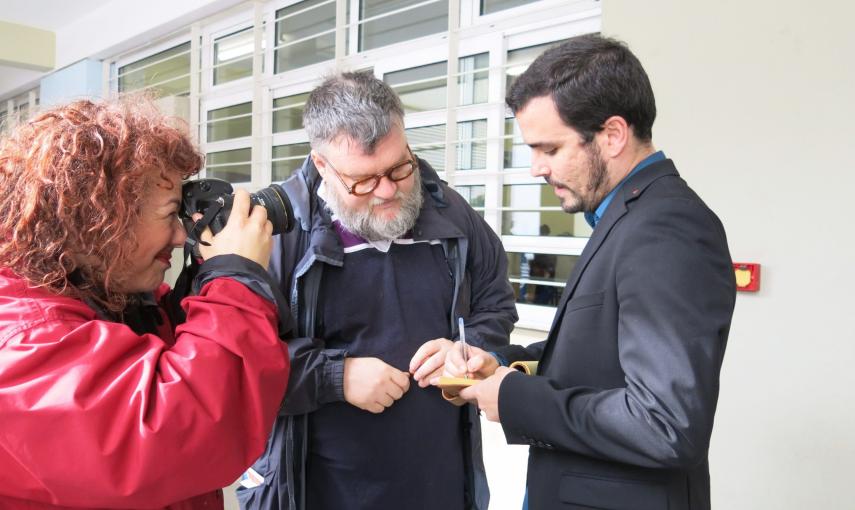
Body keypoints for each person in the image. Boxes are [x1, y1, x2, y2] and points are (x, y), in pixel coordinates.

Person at [443, 34, 736, 510]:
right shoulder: (629, 216)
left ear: (613, 134)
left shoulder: (667, 228)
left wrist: (517, 400)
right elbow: (601, 354)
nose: (536, 168)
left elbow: (665, 425)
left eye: (550, 149)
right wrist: (503, 365)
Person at [236, 71, 517, 510]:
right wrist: (336, 377)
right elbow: (237, 365)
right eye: (364, 180)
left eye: (399, 168)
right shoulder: (272, 235)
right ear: (323, 165)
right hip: (323, 489)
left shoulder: (452, 215)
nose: (388, 192)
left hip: (440, 483)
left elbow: (495, 304)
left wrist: (471, 347)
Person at [0, 97, 291, 509]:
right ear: (99, 220)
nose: (179, 236)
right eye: (171, 214)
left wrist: (203, 286)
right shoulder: (23, 340)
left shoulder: (106, 291)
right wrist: (235, 280)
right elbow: (181, 434)